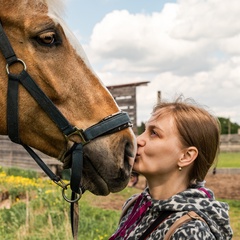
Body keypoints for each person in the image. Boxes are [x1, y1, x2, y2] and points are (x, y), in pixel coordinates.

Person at [109, 97, 233, 239]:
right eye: (144, 130)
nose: (138, 140)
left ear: (186, 156)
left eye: (154, 133)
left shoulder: (190, 231)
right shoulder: (134, 206)